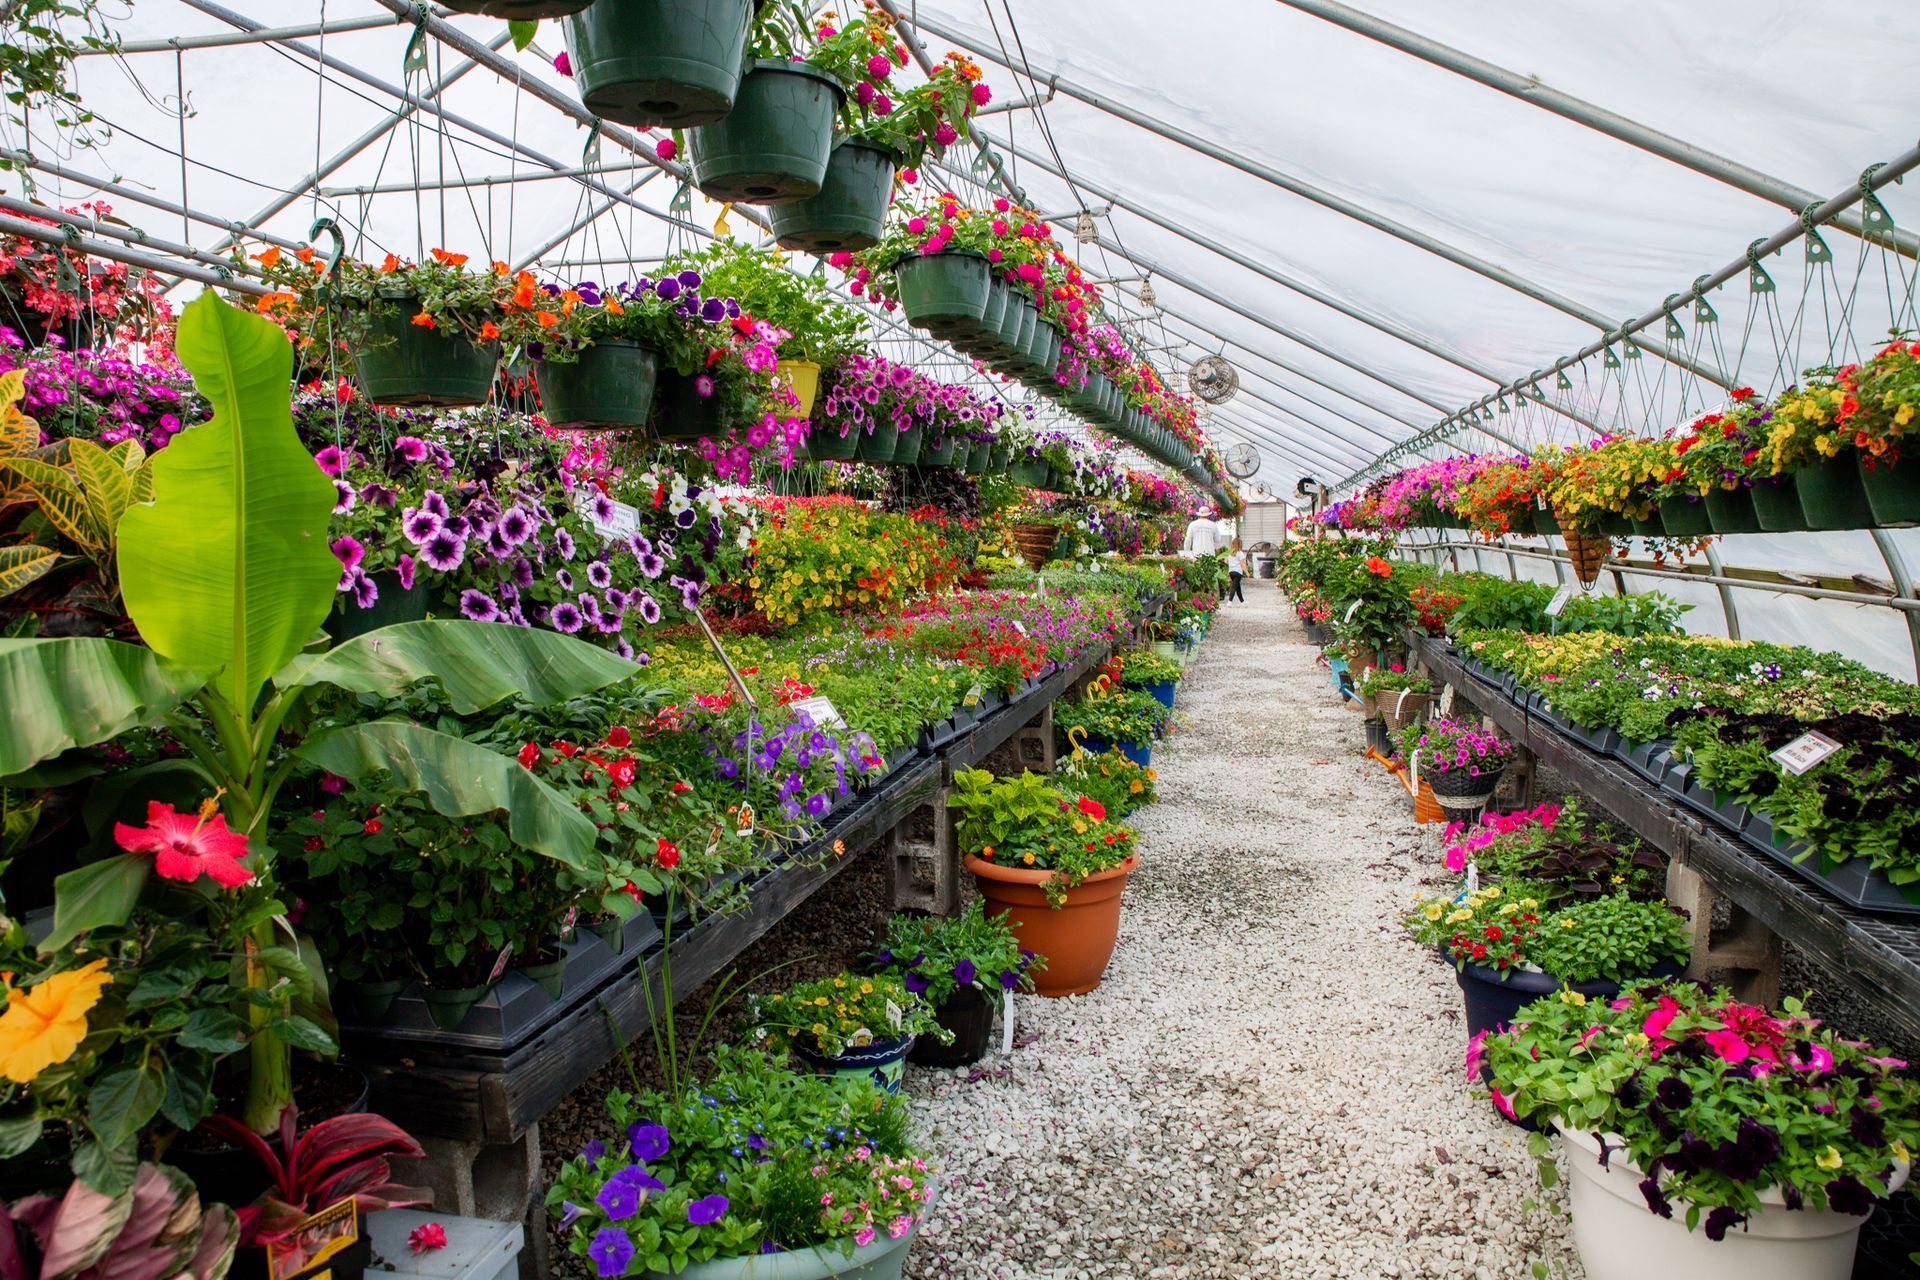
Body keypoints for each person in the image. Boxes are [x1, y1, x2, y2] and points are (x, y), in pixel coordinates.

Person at [1226, 538, 1248, 603]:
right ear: (1240, 545)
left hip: (1231, 572)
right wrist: (1247, 572)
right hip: (1238, 572)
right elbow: (1242, 564)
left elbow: (1226, 561)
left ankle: (1242, 601)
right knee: (1234, 587)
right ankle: (1229, 601)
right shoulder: (1240, 553)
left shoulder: (1229, 553)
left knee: (1238, 587)